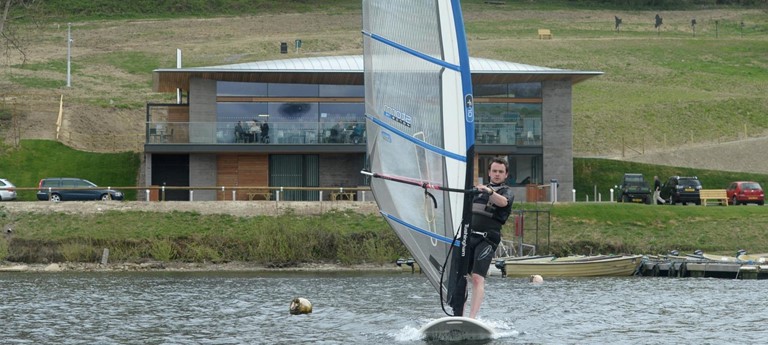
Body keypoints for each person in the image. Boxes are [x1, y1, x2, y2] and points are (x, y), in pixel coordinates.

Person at [464, 157, 514, 319]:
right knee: (461, 277)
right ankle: (459, 314)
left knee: (477, 278)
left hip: (487, 240)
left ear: (506, 175)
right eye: (494, 171)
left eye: (501, 172)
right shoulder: (477, 191)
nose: (497, 174)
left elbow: (503, 203)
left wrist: (489, 191)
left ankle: (472, 317)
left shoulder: (506, 192)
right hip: (469, 237)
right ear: (489, 172)